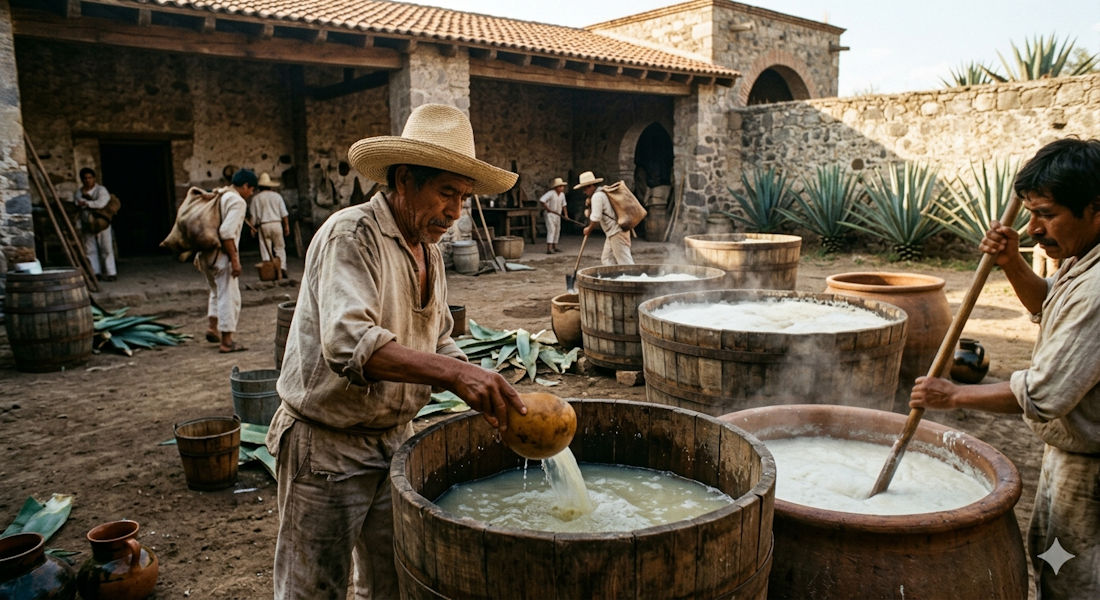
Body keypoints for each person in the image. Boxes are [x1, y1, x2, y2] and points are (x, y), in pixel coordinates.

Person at [266, 103, 527, 600]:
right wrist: (452, 376)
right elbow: (349, 343)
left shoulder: (427, 248)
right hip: (328, 445)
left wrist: (479, 382)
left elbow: (440, 338)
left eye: (464, 197)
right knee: (311, 589)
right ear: (404, 179)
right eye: (446, 192)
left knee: (394, 582)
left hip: (394, 442)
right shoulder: (352, 235)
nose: (455, 212)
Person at [910, 138, 1100, 599]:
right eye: (1030, 213)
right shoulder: (1081, 257)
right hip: (1069, 454)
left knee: (1077, 579)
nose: (1034, 227)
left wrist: (951, 395)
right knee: (1053, 558)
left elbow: (1045, 395)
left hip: (1092, 472)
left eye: (1048, 213)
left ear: (1096, 209)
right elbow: (1047, 304)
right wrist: (1012, 261)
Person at [199, 168, 255, 353]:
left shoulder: (220, 195)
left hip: (206, 254)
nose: (251, 193)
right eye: (251, 189)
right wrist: (235, 260)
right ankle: (227, 341)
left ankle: (212, 327)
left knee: (216, 291)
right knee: (229, 296)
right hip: (221, 257)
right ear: (245, 186)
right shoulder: (237, 201)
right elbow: (227, 232)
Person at [578, 170, 634, 265]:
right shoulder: (601, 193)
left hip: (617, 232)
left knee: (625, 262)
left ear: (591, 186)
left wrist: (589, 229)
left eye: (585, 189)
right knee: (607, 259)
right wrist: (589, 206)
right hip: (612, 232)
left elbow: (596, 218)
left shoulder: (597, 196)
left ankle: (635, 279)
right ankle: (616, 278)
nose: (584, 192)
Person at [73, 167, 117, 281]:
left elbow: (101, 203)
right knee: (90, 249)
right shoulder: (79, 192)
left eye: (90, 178)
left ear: (94, 178)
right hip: (87, 222)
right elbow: (77, 204)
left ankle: (110, 272)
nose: (88, 180)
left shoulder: (101, 190)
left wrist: (87, 203)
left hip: (101, 222)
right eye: (85, 178)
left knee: (106, 248)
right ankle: (95, 272)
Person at [249, 172, 290, 278]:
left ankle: (268, 270)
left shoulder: (256, 198)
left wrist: (252, 229)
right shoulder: (277, 196)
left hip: (263, 225)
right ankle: (282, 268)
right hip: (276, 224)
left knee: (265, 247)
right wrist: (286, 226)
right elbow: (284, 214)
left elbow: (253, 216)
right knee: (280, 247)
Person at [539, 176, 569, 254]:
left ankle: (555, 247)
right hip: (550, 214)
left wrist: (566, 215)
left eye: (562, 186)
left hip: (558, 214)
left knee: (557, 230)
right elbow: (542, 200)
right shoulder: (551, 193)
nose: (562, 188)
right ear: (556, 187)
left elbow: (564, 205)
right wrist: (548, 209)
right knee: (551, 230)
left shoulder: (562, 195)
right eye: (560, 186)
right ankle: (549, 249)